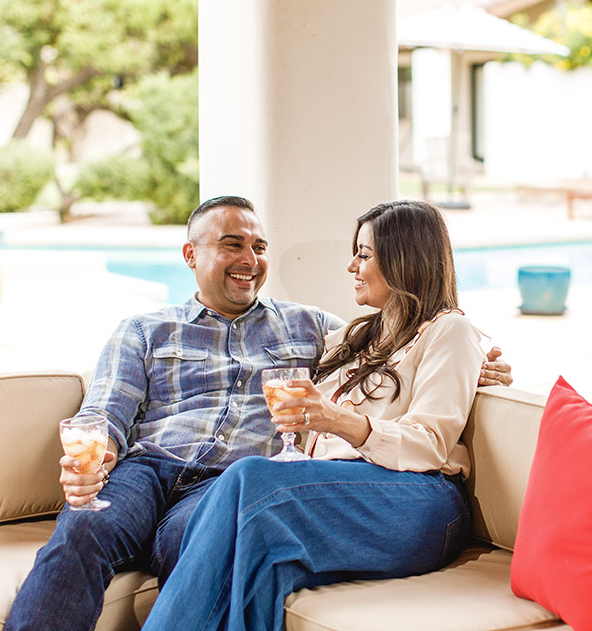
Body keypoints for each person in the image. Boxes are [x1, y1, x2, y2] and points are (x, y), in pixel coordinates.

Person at [4, 196, 510, 631]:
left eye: (259, 247)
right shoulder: (146, 329)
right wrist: (89, 462)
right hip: (149, 467)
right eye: (231, 244)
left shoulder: (312, 328)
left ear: (401, 259)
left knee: (205, 536)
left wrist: (474, 367)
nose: (250, 258)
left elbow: (426, 355)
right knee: (84, 527)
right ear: (191, 254)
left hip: (227, 484)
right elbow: (104, 413)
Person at [139, 199, 487, 631]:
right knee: (264, 566)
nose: (351, 266)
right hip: (337, 493)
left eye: (364, 254)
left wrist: (336, 419)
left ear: (403, 259)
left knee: (249, 477)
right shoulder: (355, 337)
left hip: (418, 498)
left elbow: (430, 445)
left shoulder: (449, 330)